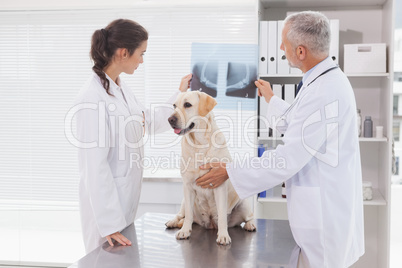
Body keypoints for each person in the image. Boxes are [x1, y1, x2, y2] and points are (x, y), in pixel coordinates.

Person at [196, 11, 364, 268]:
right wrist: (270, 98)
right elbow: (296, 122)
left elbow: (287, 158)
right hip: (323, 211)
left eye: (283, 42)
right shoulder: (321, 82)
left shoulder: (324, 90)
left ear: (300, 51)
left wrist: (230, 169)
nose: (279, 48)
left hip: (323, 219)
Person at [75, 19, 192, 253]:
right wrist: (109, 225)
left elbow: (145, 121)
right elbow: (94, 166)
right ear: (123, 52)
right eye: (141, 53)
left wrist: (180, 95)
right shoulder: (92, 98)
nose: (141, 61)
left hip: (124, 206)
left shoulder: (120, 89)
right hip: (105, 219)